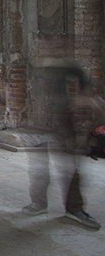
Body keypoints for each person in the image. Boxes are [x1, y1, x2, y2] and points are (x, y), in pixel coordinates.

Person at [22, 58, 100, 229]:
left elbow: (82, 77)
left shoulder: (62, 64)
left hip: (61, 118)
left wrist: (84, 96)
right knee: (38, 165)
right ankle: (39, 203)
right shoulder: (35, 64)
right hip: (38, 117)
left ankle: (74, 208)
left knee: (68, 166)